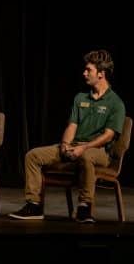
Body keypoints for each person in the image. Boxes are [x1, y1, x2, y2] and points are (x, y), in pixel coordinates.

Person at [10, 49, 126, 223]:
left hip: (98, 151)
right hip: (75, 145)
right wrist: (65, 144)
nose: (84, 73)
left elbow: (109, 135)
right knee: (32, 156)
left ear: (101, 74)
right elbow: (72, 125)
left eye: (89, 70)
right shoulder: (80, 98)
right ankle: (34, 205)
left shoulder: (115, 103)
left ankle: (84, 208)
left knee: (86, 156)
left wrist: (84, 147)